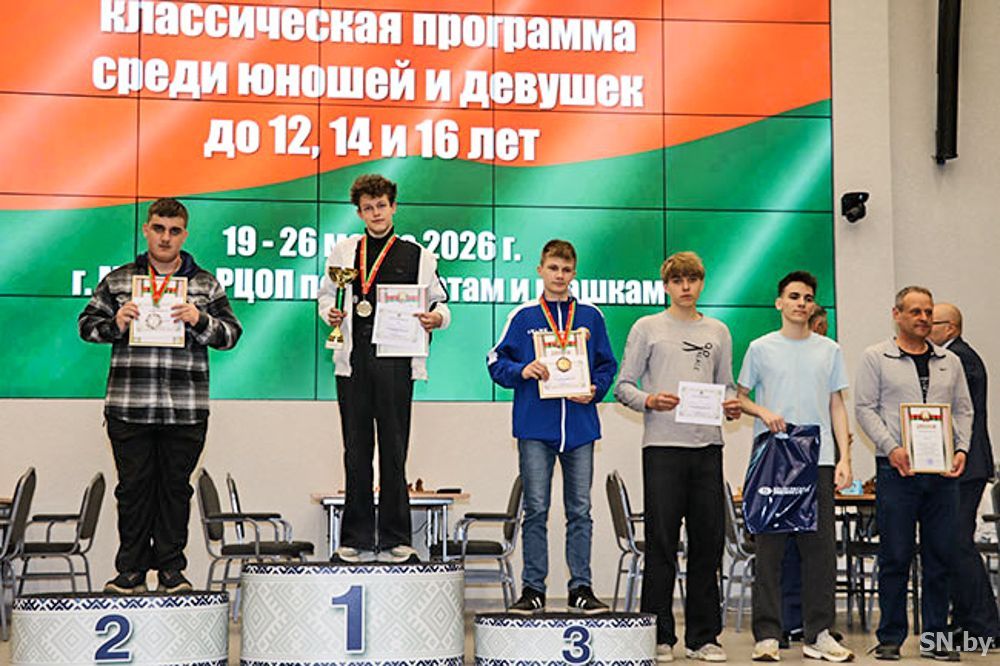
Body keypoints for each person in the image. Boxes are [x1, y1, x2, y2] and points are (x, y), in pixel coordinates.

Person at [79, 198, 242, 594]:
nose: (165, 237)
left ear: (184, 235)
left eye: (174, 231)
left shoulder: (204, 284)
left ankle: (171, 570)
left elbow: (231, 334)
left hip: (185, 409)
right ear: (146, 230)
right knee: (132, 491)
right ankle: (130, 572)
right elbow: (86, 326)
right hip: (129, 406)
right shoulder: (119, 280)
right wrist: (116, 323)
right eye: (158, 229)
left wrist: (200, 319)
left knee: (175, 491)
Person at [614, 251, 740, 663]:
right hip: (663, 448)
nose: (686, 287)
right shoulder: (647, 327)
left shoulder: (718, 331)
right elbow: (623, 386)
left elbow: (727, 386)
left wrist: (732, 406)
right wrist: (650, 400)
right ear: (666, 285)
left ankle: (704, 638)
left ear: (702, 283)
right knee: (662, 544)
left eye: (693, 279)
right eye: (678, 280)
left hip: (708, 449)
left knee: (708, 544)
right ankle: (658, 635)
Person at [318, 174, 450, 564]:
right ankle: (355, 539)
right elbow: (325, 296)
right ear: (359, 213)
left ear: (393, 207)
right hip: (354, 360)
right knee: (356, 451)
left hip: (395, 360)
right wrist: (330, 314)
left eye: (381, 205)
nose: (376, 213)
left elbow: (441, 303)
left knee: (394, 450)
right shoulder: (344, 252)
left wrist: (436, 319)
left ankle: (397, 539)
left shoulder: (418, 256)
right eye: (368, 208)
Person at [487, 239, 618, 614]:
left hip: (580, 428)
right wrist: (522, 370)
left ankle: (581, 588)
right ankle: (533, 589)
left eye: (566, 270)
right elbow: (495, 361)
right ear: (540, 270)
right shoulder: (523, 316)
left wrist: (595, 390)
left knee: (580, 511)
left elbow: (607, 365)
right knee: (536, 510)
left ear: (574, 273)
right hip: (535, 428)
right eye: (553, 268)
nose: (559, 276)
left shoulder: (591, 316)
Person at [737, 271, 854, 663]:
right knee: (770, 551)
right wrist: (763, 411)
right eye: (793, 296)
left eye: (807, 297)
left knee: (819, 552)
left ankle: (819, 633)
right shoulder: (760, 348)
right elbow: (739, 397)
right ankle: (768, 636)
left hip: (818, 461)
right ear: (779, 302)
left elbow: (837, 404)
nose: (801, 303)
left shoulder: (829, 350)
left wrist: (845, 457)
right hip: (773, 460)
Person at [855, 287, 972, 661]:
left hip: (942, 474)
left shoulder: (949, 361)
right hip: (897, 471)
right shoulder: (876, 357)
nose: (923, 318)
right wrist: (892, 447)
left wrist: (961, 449)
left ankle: (936, 638)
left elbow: (964, 410)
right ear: (897, 314)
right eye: (915, 311)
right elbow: (865, 408)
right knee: (895, 555)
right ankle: (890, 637)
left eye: (928, 312)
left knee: (941, 556)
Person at [932, 303, 1000, 648]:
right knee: (951, 543)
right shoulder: (955, 357)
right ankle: (965, 621)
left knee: (958, 543)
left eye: (933, 322)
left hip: (966, 465)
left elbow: (958, 413)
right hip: (960, 465)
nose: (926, 326)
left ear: (951, 328)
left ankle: (984, 625)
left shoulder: (960, 359)